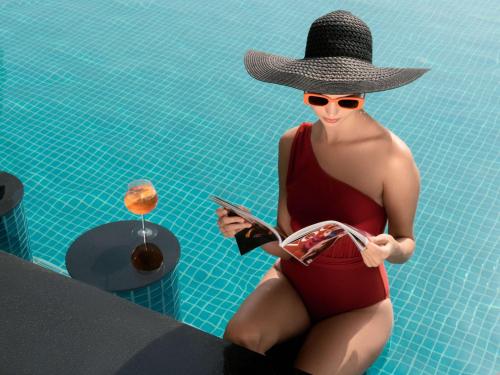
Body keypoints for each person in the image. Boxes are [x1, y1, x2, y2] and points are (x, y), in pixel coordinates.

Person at [215, 10, 428, 375]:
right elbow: (287, 242)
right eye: (318, 98)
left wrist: (390, 248)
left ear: (365, 94)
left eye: (347, 101)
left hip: (360, 306)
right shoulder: (291, 143)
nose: (330, 111)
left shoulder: (394, 157)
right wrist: (247, 230)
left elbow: (406, 242)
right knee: (238, 341)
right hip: (292, 285)